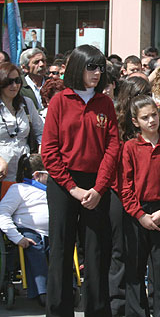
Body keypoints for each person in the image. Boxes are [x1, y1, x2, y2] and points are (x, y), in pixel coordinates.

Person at [41, 44, 120, 316]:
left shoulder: (105, 103)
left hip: (97, 184)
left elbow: (113, 147)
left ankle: (97, 310)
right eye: (91, 67)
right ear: (77, 68)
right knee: (61, 250)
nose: (97, 73)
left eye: (100, 68)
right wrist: (72, 188)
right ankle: (58, 310)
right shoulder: (60, 101)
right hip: (64, 184)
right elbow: (49, 151)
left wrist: (99, 187)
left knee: (97, 253)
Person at [120, 95, 160, 317]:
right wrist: (139, 214)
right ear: (135, 121)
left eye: (154, 115)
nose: (151, 120)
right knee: (135, 265)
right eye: (145, 117)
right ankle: (137, 312)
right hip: (137, 213)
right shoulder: (130, 147)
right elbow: (126, 185)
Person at [0, 154, 49, 307]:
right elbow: (3, 214)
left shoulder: (51, 190)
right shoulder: (18, 189)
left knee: (60, 249)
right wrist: (17, 238)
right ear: (38, 175)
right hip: (27, 231)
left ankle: (70, 287)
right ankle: (43, 291)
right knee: (34, 247)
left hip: (52, 232)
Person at [0, 62, 44, 182]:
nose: (14, 85)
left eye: (17, 80)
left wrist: (40, 151)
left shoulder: (27, 104)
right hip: (2, 174)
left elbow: (41, 131)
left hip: (24, 173)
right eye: (9, 82)